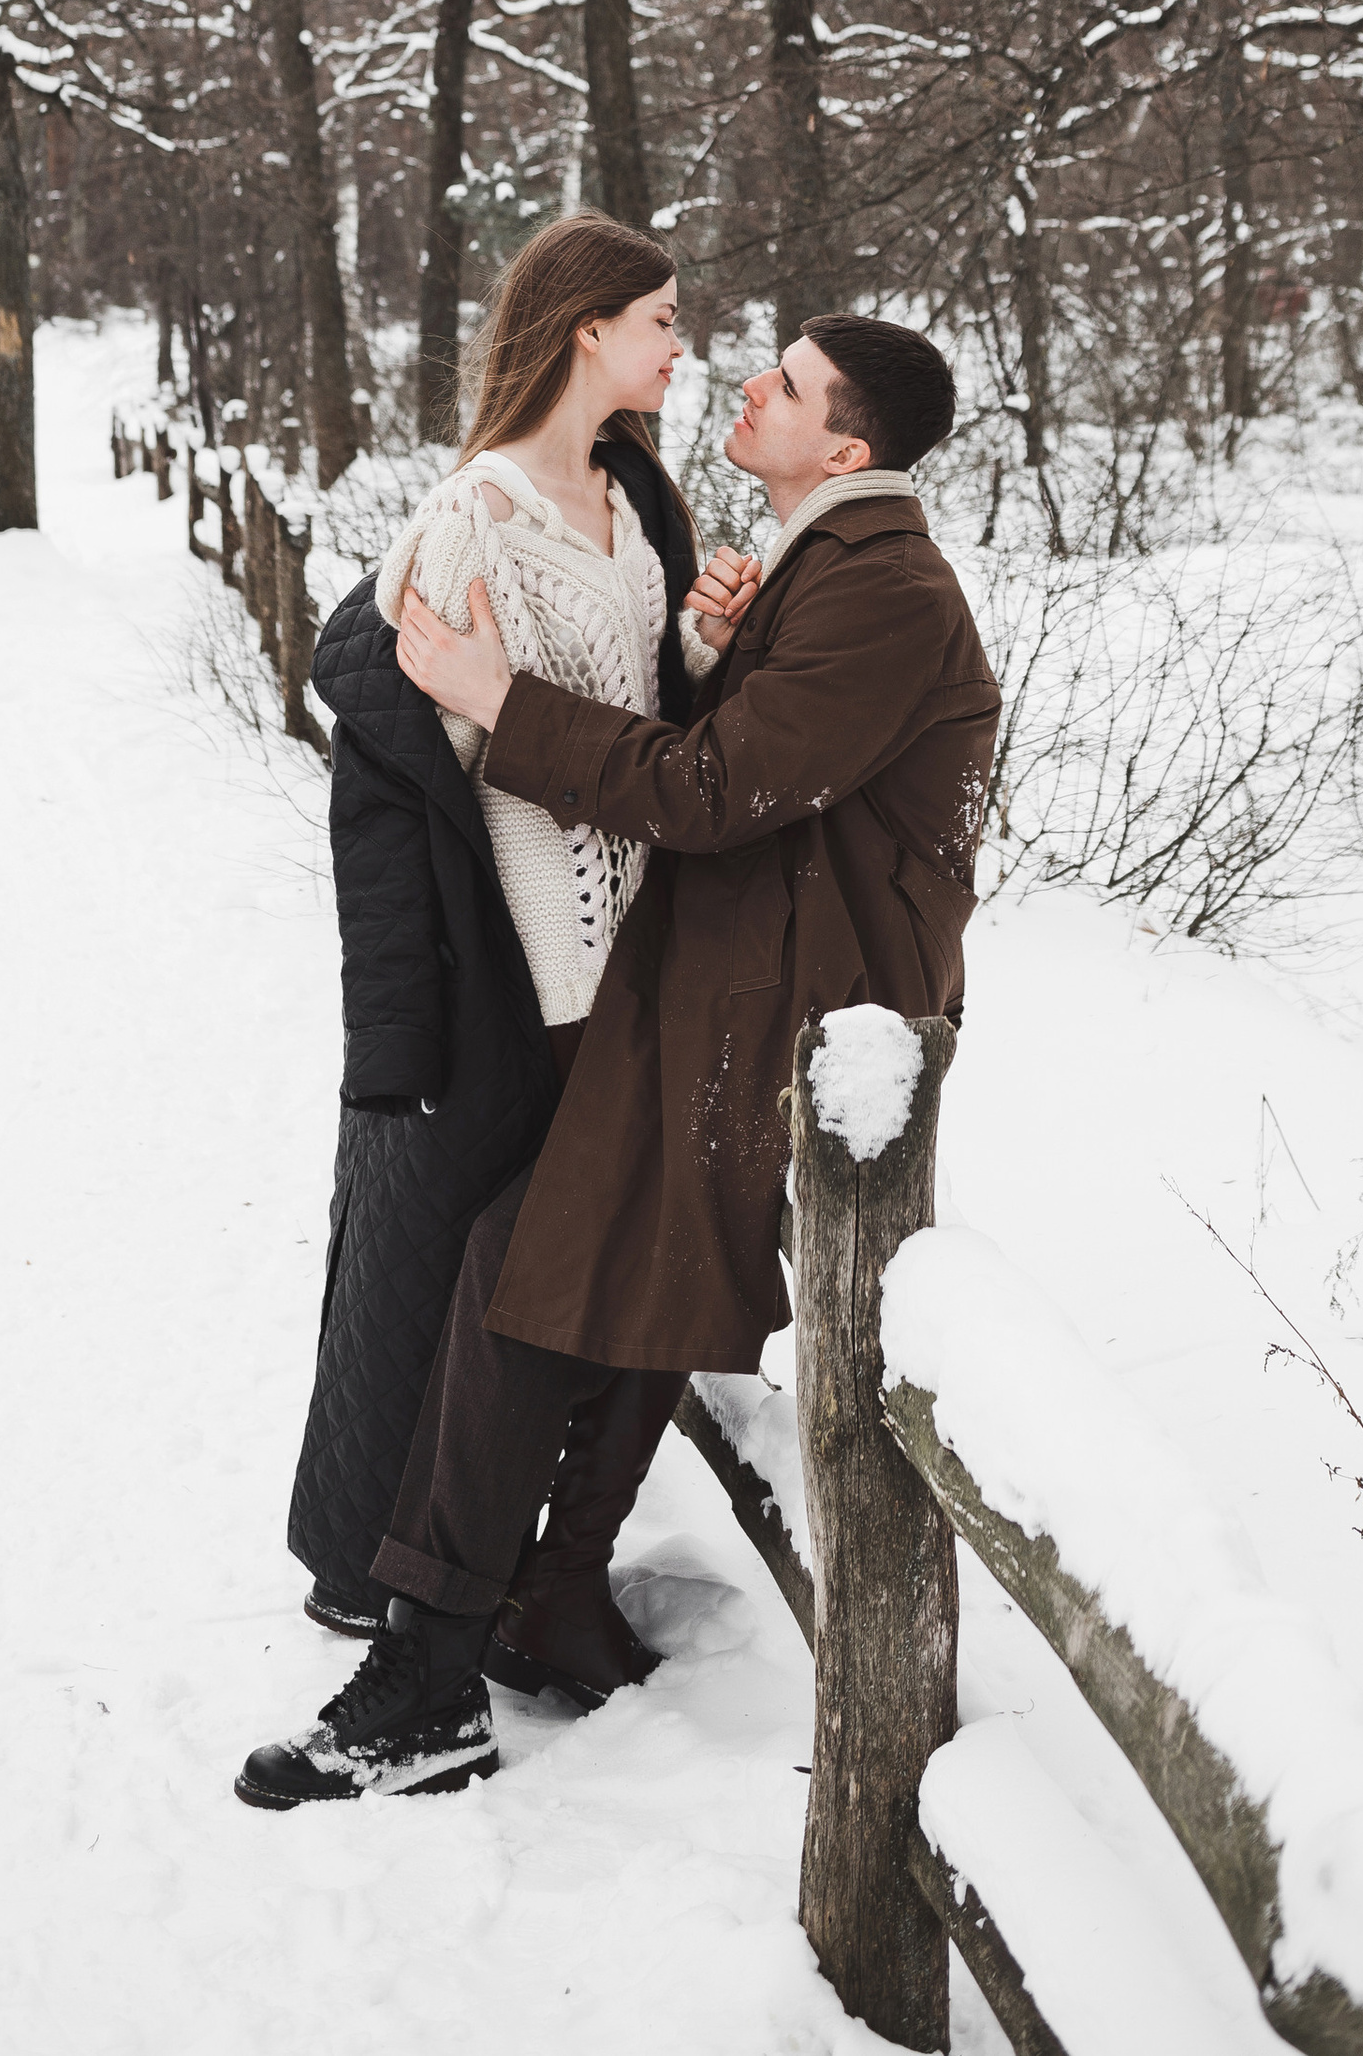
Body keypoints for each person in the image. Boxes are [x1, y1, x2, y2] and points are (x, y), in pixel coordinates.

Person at [236, 308, 999, 1809]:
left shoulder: (885, 588)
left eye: (784, 383)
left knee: (533, 1275)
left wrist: (495, 701)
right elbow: (766, 762)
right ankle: (540, 1597)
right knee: (582, 1275)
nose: (749, 385)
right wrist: (714, 645)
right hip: (729, 986)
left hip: (797, 1019)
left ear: (843, 445)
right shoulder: (824, 565)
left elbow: (720, 791)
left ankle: (430, 1673)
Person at [270, 218, 759, 1716]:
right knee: (531, 1287)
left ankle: (522, 1584)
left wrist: (696, 638)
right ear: (583, 328)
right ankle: (451, 1595)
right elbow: (430, 752)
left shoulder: (635, 492)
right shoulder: (475, 513)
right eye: (662, 319)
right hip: (544, 972)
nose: (684, 346)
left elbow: (644, 712)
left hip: (645, 965)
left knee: (601, 1283)